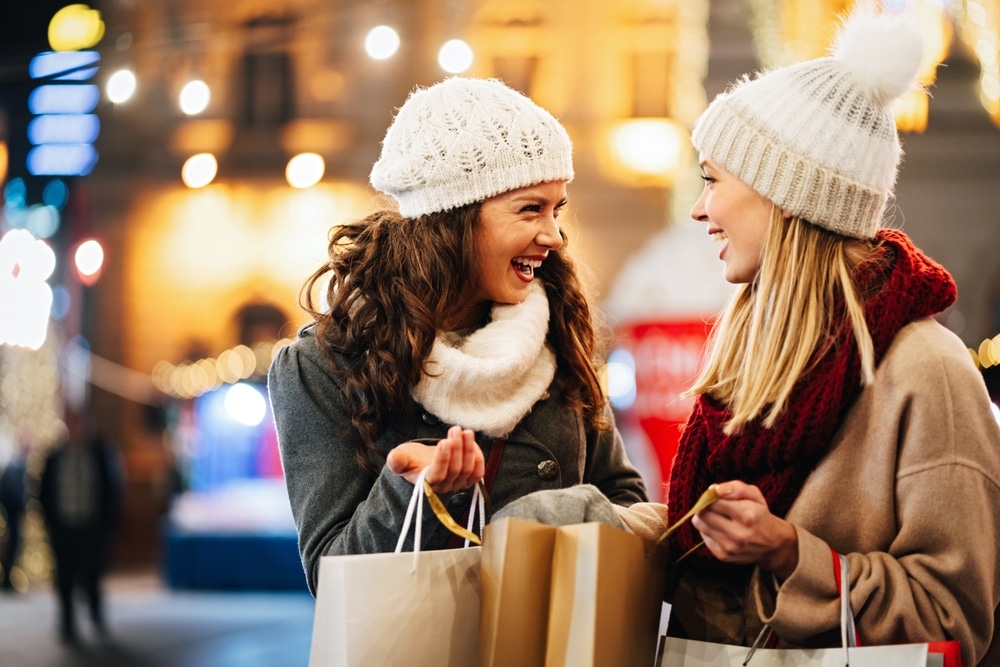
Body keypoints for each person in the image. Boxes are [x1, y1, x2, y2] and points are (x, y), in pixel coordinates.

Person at [609, 8, 1000, 666]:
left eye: (712, 180)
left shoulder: (926, 369)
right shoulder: (747, 348)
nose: (700, 208)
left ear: (783, 196)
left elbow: (953, 616)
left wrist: (792, 551)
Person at [267, 76, 648, 594]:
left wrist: (557, 517)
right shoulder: (321, 365)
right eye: (530, 208)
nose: (555, 237)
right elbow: (332, 576)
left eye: (557, 209)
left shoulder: (556, 332)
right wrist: (418, 493)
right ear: (454, 219)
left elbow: (622, 495)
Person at [38, 411, 124, 644]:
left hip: (91, 527)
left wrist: (108, 524)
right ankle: (67, 623)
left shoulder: (100, 454)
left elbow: (112, 489)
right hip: (63, 526)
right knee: (64, 577)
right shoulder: (54, 456)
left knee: (92, 574)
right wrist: (48, 521)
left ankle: (96, 615)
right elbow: (43, 491)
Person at [0, 440, 28, 592]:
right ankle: (6, 580)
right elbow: (12, 493)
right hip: (12, 512)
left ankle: (7, 580)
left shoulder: (15, 467)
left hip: (12, 512)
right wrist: (21, 506)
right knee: (12, 544)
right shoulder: (15, 468)